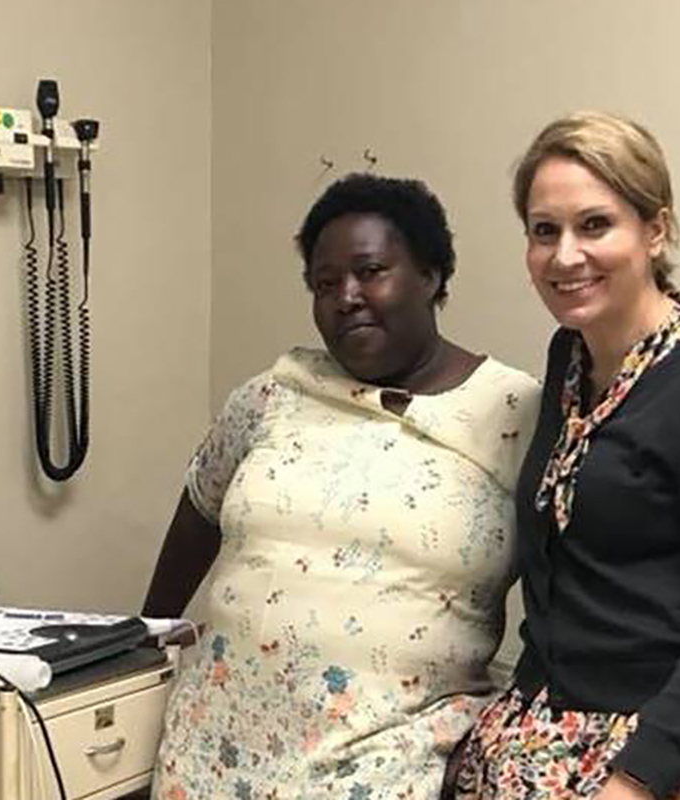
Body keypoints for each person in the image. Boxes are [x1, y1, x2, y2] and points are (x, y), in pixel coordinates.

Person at [143, 173, 540, 800]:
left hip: (392, 764)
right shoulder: (274, 394)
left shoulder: (516, 413)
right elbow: (199, 509)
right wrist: (145, 637)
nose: (346, 297)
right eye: (325, 284)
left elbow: (568, 588)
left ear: (431, 275)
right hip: (214, 752)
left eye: (370, 271)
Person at [453, 111, 680, 800]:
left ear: (655, 230)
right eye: (544, 230)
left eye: (595, 225)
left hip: (647, 751)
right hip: (538, 727)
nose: (565, 256)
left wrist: (638, 779)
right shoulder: (570, 357)